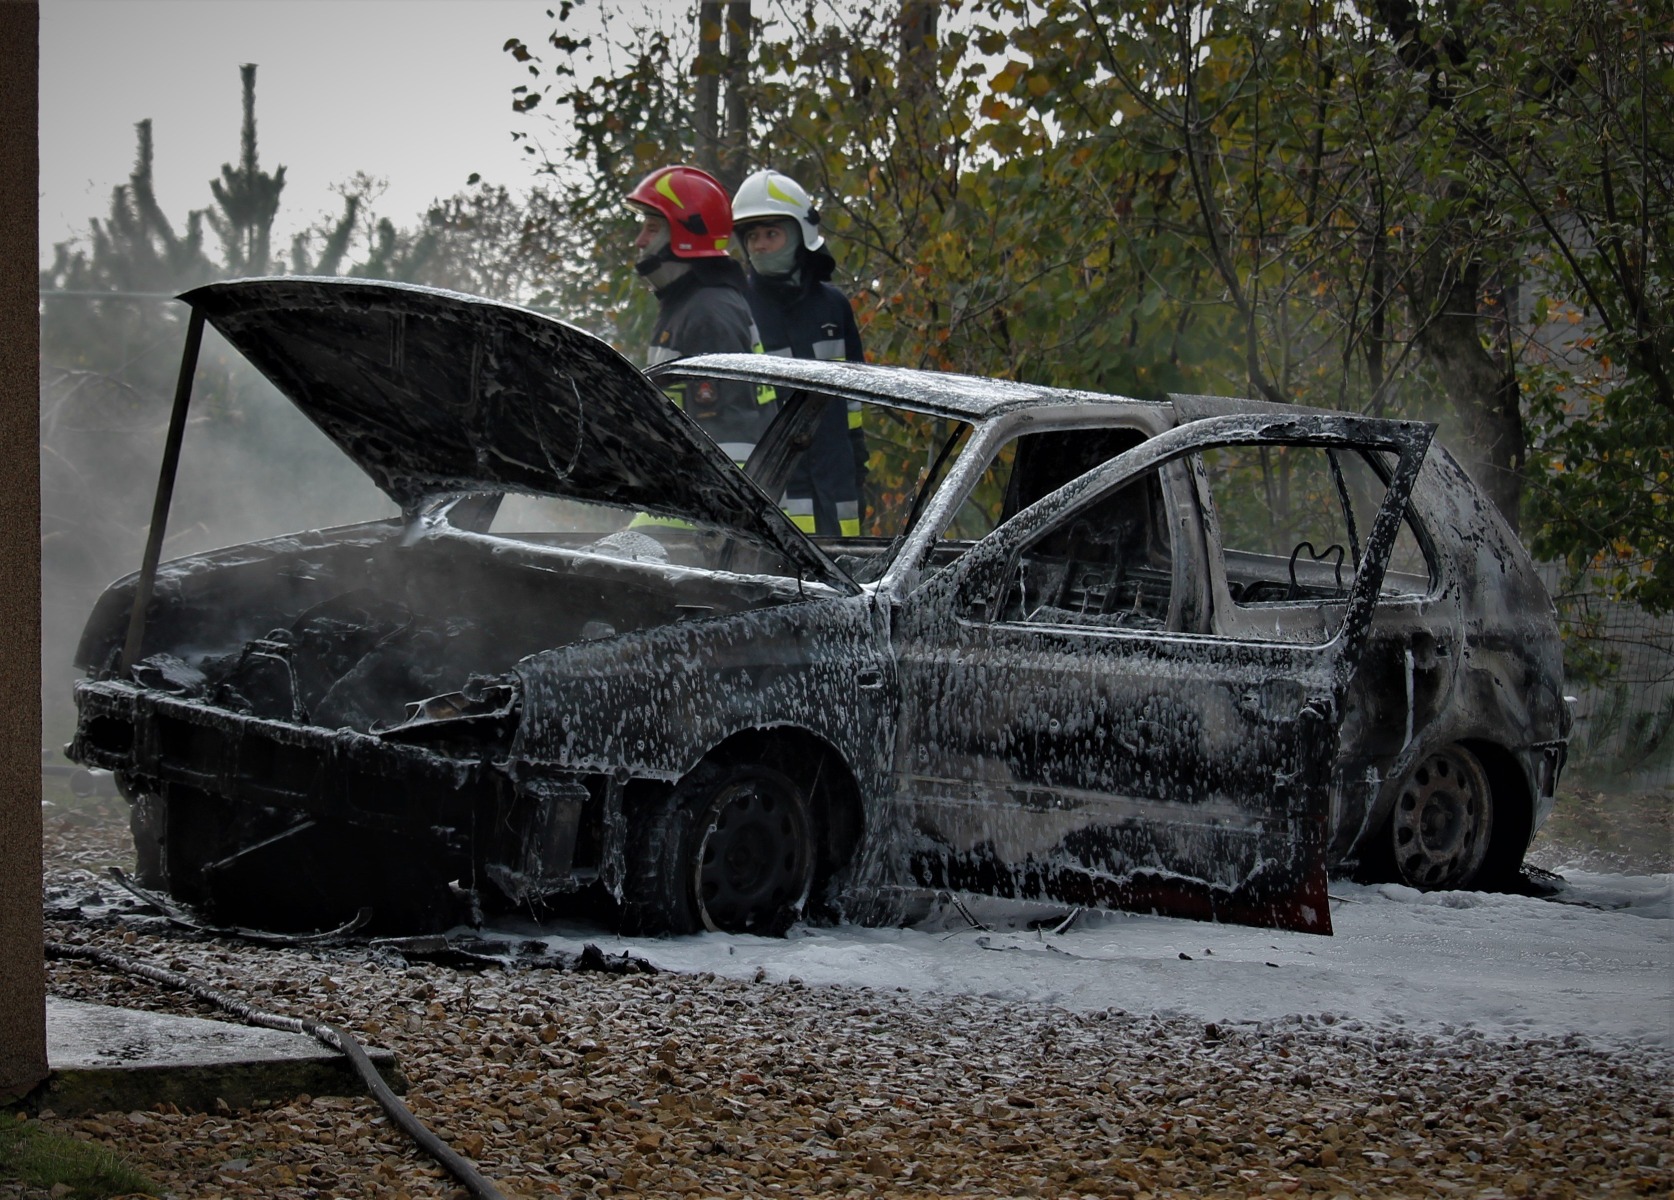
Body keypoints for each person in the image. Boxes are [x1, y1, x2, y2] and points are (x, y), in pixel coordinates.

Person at [732, 169, 867, 537]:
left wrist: (858, 463)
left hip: (838, 487)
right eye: (752, 236)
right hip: (773, 495)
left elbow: (855, 403)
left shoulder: (834, 307)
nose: (759, 245)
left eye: (771, 233)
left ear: (800, 234)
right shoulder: (739, 310)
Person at [626, 164, 774, 467]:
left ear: (686, 234)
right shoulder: (687, 304)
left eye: (652, 228)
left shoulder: (708, 311)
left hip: (718, 495)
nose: (640, 241)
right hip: (694, 483)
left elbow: (726, 438)